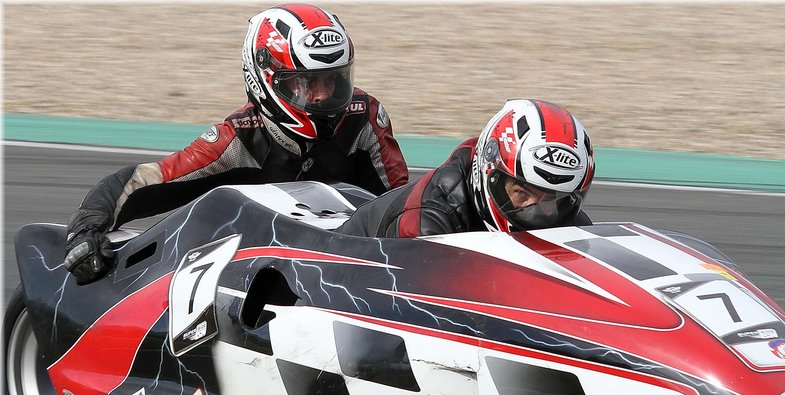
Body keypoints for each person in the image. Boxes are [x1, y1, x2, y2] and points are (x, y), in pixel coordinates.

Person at [65, 3, 409, 284]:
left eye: (334, 80)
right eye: (307, 83)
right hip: (260, 279)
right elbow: (144, 180)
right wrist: (85, 230)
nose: (324, 96)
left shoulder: (364, 118)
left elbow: (400, 205)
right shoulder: (238, 138)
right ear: (265, 81)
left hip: (348, 266)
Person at [336, 98, 594, 238]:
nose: (536, 214)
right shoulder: (429, 220)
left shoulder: (565, 219)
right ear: (488, 172)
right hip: (347, 279)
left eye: (551, 200)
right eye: (522, 194)